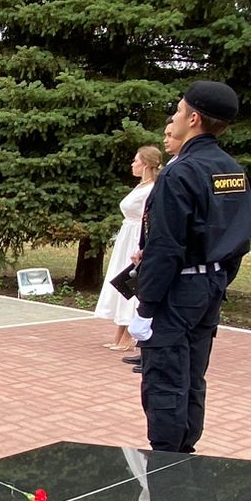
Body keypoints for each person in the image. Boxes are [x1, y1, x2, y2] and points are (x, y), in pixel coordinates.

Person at [130, 80, 251, 453]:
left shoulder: (180, 172)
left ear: (194, 118)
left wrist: (146, 306)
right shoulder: (231, 170)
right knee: (193, 376)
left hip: (177, 292)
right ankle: (187, 453)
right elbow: (238, 239)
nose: (174, 117)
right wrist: (216, 277)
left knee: (165, 377)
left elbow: (167, 246)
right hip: (209, 287)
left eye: (179, 111)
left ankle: (167, 458)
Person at [94, 145, 163, 351]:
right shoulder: (141, 186)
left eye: (136, 161)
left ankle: (129, 336)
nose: (132, 164)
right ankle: (120, 332)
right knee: (121, 281)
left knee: (130, 280)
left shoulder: (153, 188)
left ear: (147, 165)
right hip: (126, 235)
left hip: (136, 236)